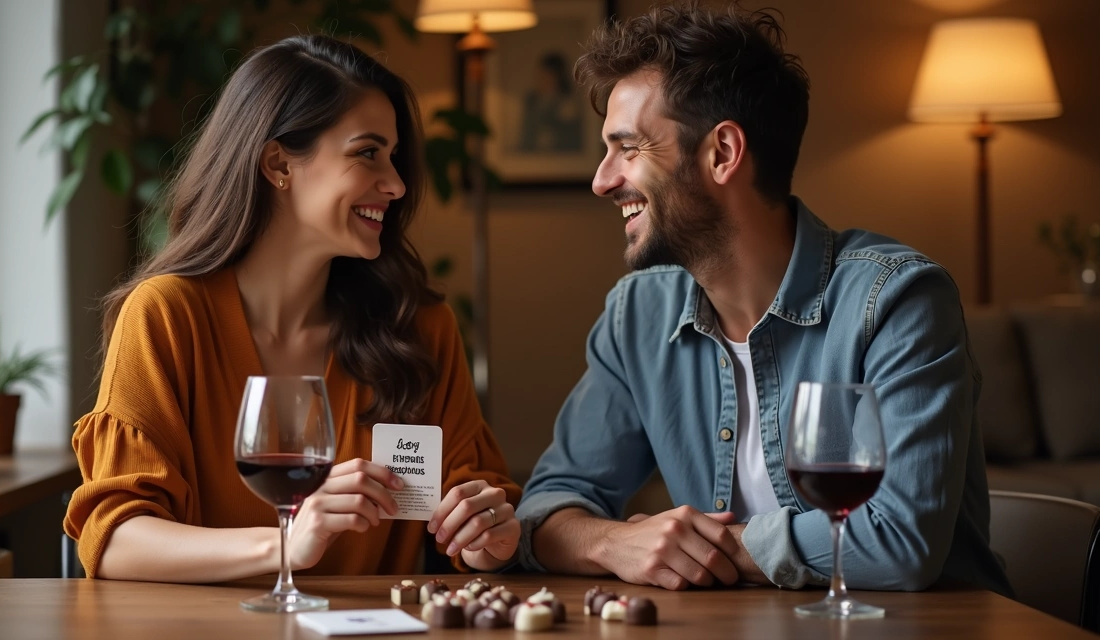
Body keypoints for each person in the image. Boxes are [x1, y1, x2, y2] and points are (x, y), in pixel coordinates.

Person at [516, 1, 1012, 595]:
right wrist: (613, 541)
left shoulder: (896, 302)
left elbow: (899, 543)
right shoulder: (637, 316)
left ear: (722, 153)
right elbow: (545, 509)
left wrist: (710, 546)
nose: (602, 179)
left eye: (628, 148)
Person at [64, 35, 521, 583]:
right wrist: (287, 544)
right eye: (367, 153)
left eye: (394, 157)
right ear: (279, 163)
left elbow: (480, 529)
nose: (397, 184)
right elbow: (116, 541)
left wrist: (487, 535)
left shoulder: (420, 329)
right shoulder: (165, 316)